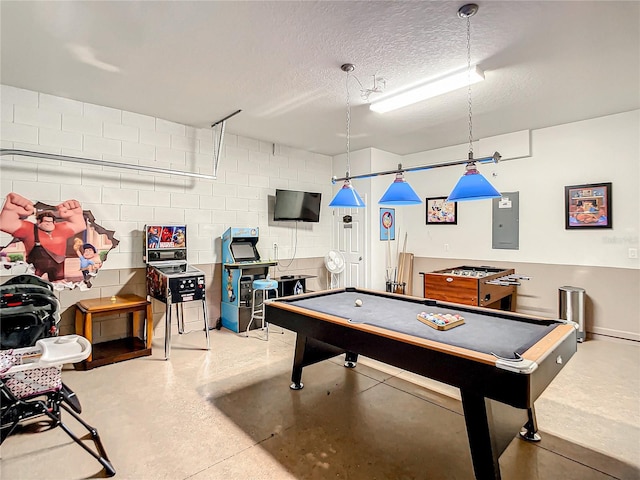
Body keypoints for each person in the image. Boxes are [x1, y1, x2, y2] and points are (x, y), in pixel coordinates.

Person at [0, 192, 86, 281]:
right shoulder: (29, 229)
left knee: (58, 283)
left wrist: (75, 215)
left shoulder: (61, 229)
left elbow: (79, 225)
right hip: (36, 269)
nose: (49, 224)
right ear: (38, 222)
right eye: (46, 222)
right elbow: (6, 224)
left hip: (58, 266)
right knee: (34, 285)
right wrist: (10, 211)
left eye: (50, 222)